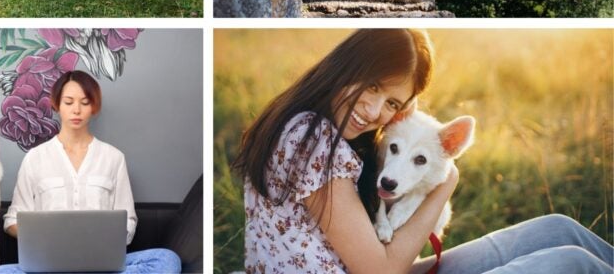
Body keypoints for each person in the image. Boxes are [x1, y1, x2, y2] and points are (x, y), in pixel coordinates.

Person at [234, 29, 613, 274]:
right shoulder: (311, 137)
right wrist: (445, 184)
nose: (373, 110)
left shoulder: (320, 130)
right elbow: (381, 271)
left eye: (391, 103)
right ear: (346, 67)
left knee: (558, 229)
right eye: (371, 86)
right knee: (572, 262)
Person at [0, 71, 181, 274]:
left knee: (166, 259)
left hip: (101, 265)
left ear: (94, 107)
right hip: (48, 264)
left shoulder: (113, 158)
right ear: (57, 105)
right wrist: (45, 239)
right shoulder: (35, 158)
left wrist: (105, 242)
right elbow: (11, 221)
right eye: (69, 102)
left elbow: (128, 221)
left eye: (85, 102)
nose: (77, 110)